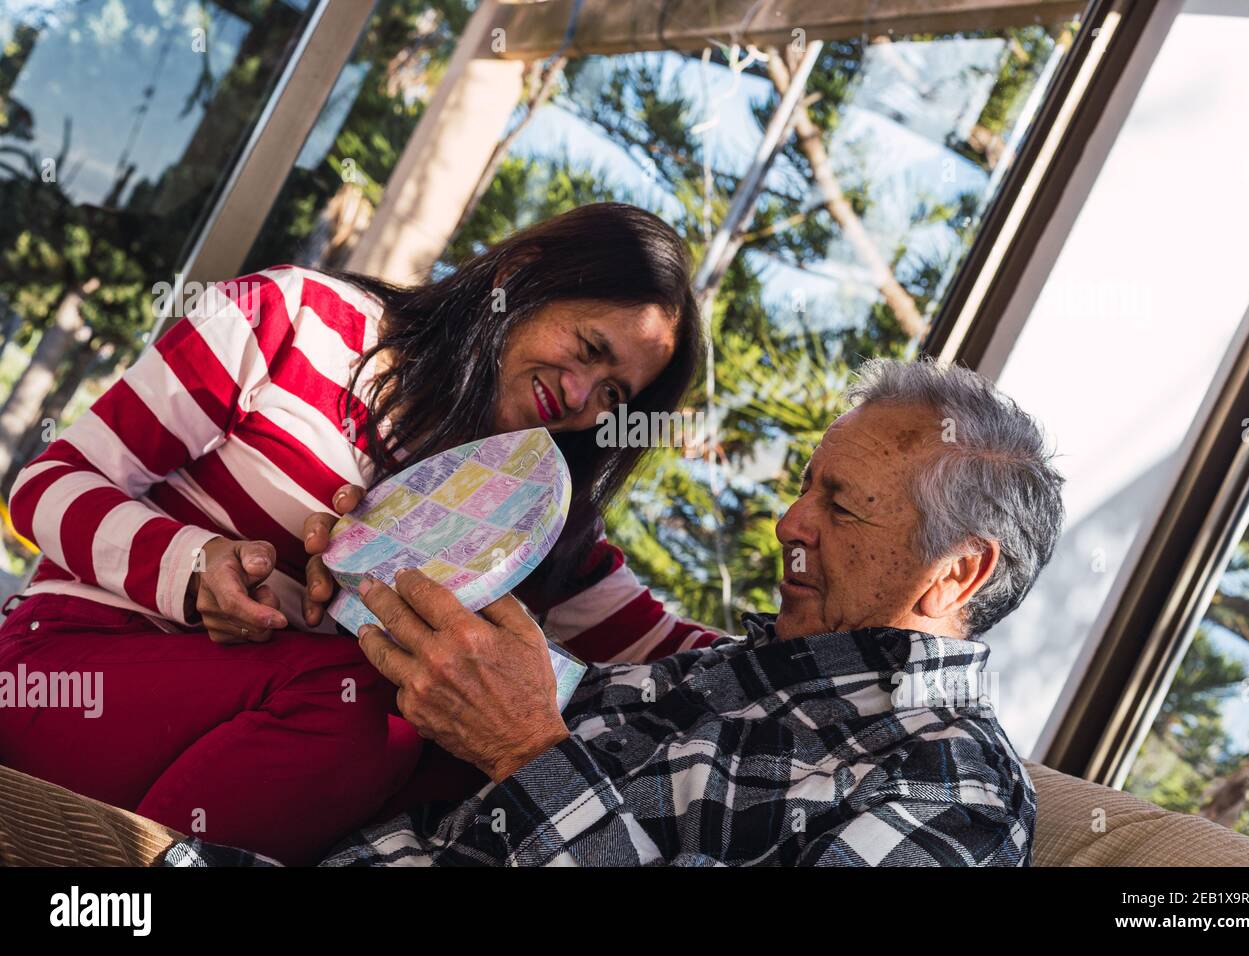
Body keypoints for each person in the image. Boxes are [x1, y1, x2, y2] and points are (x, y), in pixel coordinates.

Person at [0, 203, 713, 865]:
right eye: (588, 347)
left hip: (227, 768)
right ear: (518, 276)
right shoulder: (292, 317)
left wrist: (823, 635)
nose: (583, 396)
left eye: (616, 394)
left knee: (454, 743)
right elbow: (45, 485)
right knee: (377, 703)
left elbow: (690, 660)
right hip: (61, 674)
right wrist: (192, 566)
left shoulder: (542, 525)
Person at [166, 356, 1066, 867]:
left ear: (957, 574)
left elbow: (533, 733)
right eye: (804, 489)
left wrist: (529, 755)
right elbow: (531, 692)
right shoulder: (728, 670)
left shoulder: (955, 788)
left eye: (842, 505)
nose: (790, 523)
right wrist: (387, 579)